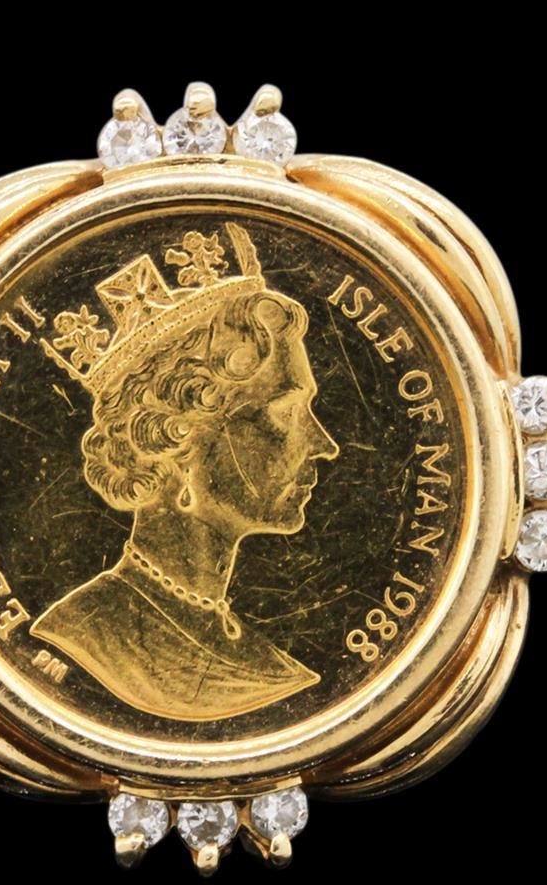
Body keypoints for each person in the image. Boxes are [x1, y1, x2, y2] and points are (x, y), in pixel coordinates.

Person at [30, 222, 340, 722]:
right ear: (182, 442)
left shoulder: (246, 646)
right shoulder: (87, 634)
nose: (325, 445)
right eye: (286, 413)